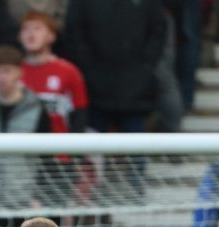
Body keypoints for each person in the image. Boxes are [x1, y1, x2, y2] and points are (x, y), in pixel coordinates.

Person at [65, 0, 164, 134]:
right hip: (95, 89)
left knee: (134, 144)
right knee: (94, 144)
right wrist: (88, 66)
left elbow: (158, 30)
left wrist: (146, 65)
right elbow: (74, 31)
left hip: (135, 89)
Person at [0, 46, 51, 210]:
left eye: (7, 71)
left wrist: (39, 195)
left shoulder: (37, 108)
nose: (2, 77)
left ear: (19, 72)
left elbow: (46, 157)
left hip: (25, 198)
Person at [19, 11, 87, 134]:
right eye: (25, 29)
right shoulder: (13, 72)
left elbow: (79, 115)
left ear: (51, 36)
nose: (31, 34)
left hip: (58, 143)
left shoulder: (69, 71)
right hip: (22, 143)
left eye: (37, 28)